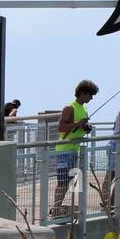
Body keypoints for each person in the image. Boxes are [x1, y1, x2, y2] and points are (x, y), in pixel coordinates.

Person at [50, 79, 98, 216]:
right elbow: (60, 128)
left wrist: (86, 127)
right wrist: (77, 124)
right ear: (82, 93)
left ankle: (57, 207)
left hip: (74, 149)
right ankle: (55, 209)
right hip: (65, 149)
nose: (92, 98)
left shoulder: (84, 108)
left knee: (70, 180)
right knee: (63, 181)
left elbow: (79, 126)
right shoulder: (69, 107)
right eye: (90, 94)